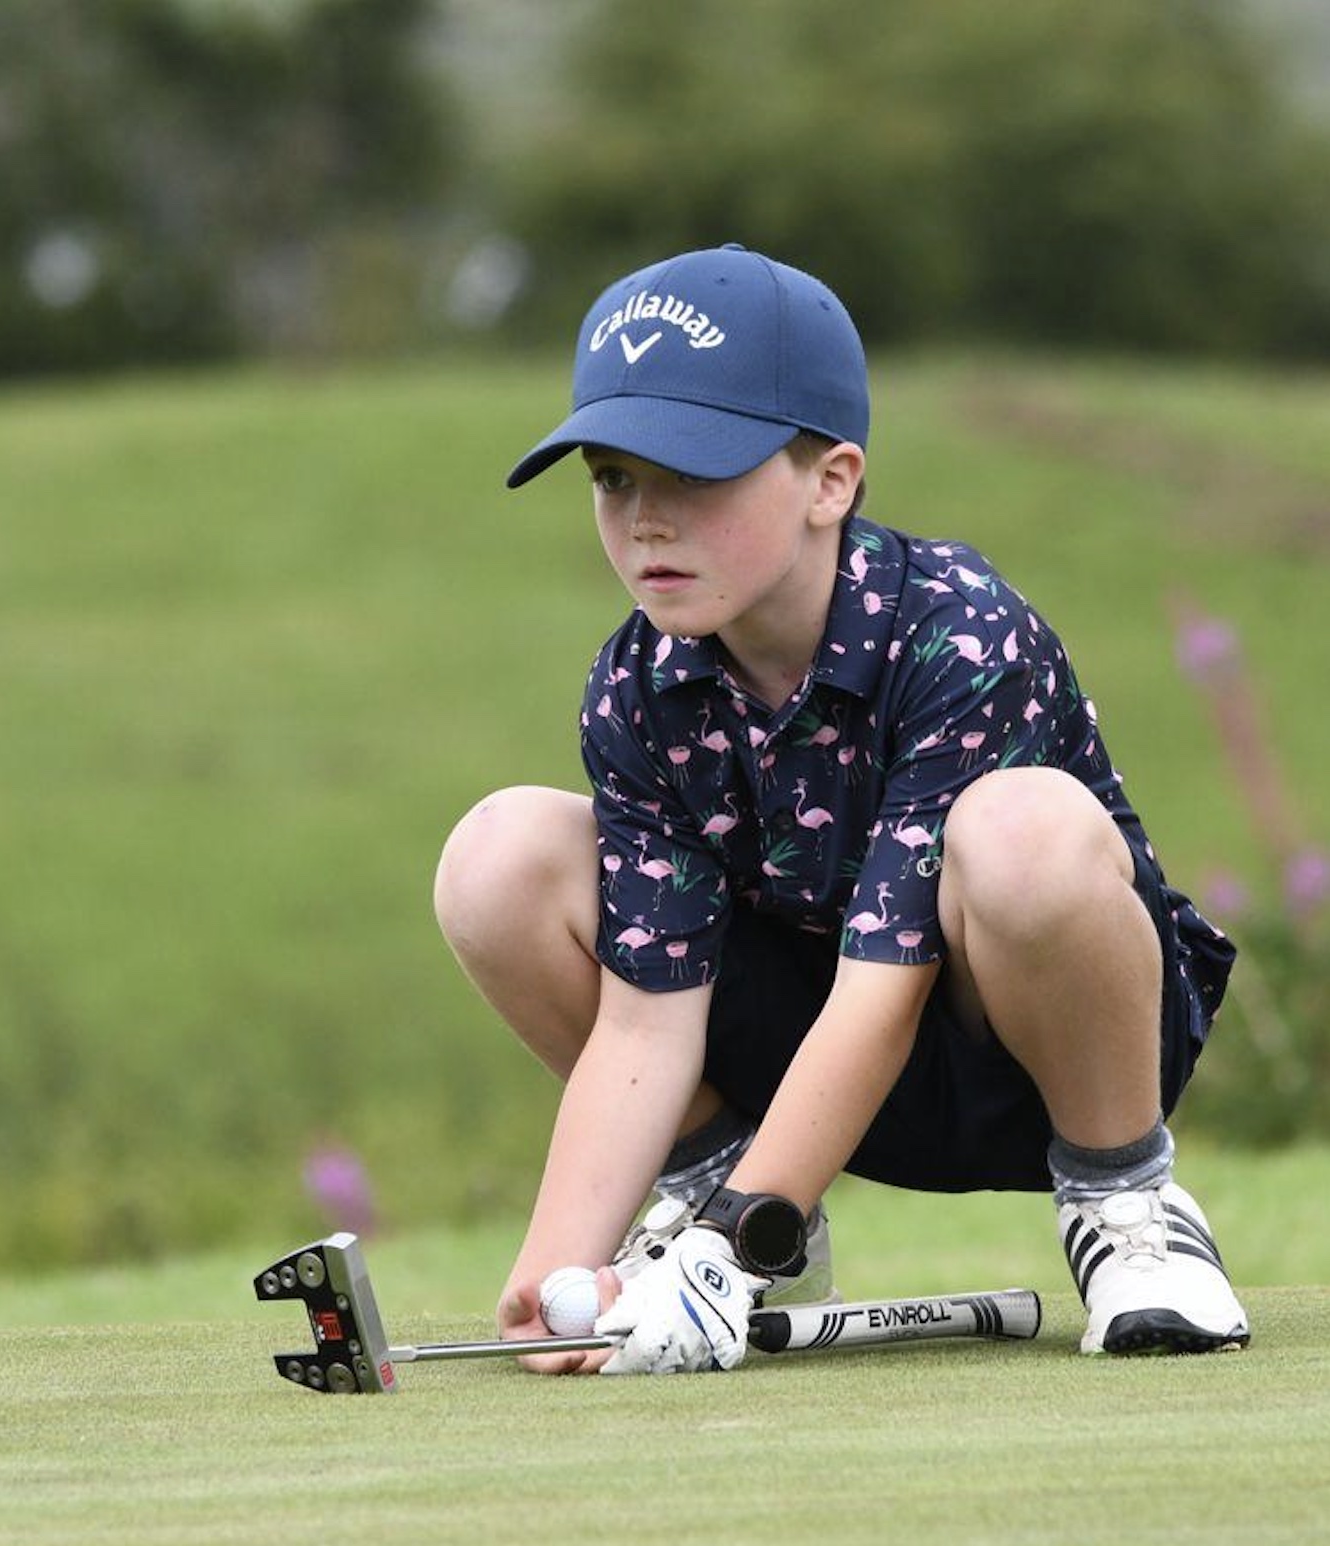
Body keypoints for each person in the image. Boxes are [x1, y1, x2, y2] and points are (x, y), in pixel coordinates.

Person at [431, 244, 1249, 1374]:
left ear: (831, 482)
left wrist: (728, 1252)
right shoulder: (637, 685)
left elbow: (884, 993)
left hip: (1026, 1050)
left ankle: (1128, 1210)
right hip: (812, 1069)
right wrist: (552, 1278)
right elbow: (642, 1020)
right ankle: (738, 1208)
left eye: (695, 474)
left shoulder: (958, 632)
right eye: (613, 477)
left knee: (1023, 833)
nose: (645, 520)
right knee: (499, 854)